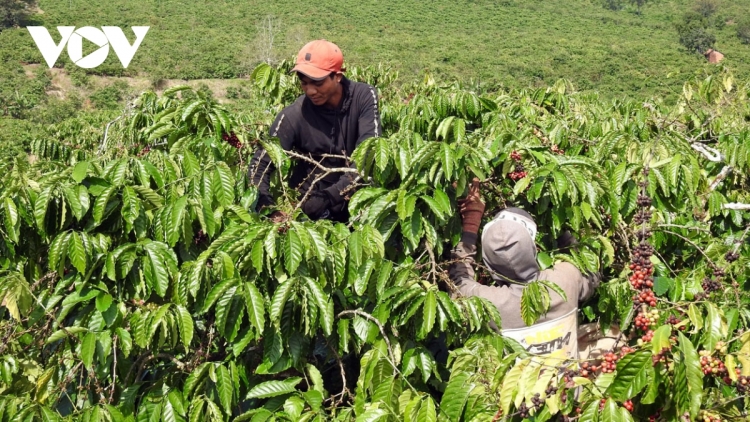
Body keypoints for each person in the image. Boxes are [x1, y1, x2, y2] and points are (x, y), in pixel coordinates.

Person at [449, 179, 603, 359]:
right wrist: (559, 227)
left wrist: (471, 221)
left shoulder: (487, 303)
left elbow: (458, 279)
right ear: (533, 249)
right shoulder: (565, 278)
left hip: (516, 387)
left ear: (487, 262)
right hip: (568, 384)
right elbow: (591, 272)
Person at [248, 39, 383, 222]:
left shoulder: (364, 97)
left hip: (356, 204)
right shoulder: (293, 116)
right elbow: (259, 166)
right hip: (309, 210)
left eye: (317, 83)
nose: (310, 91)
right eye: (304, 83)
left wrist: (329, 197)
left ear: (337, 76)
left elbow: (369, 155)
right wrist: (268, 208)